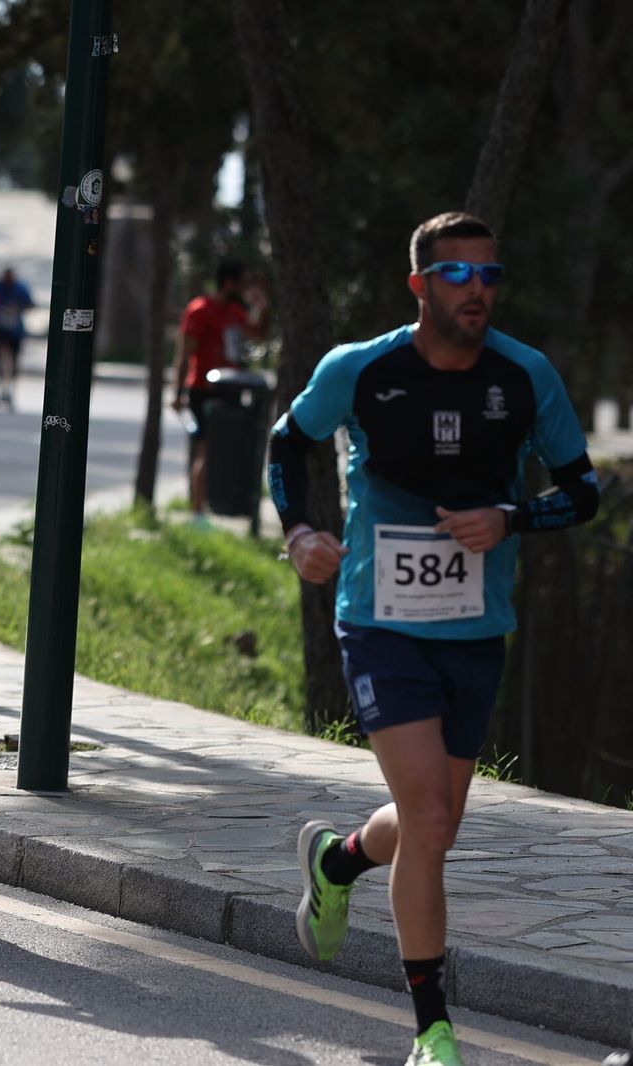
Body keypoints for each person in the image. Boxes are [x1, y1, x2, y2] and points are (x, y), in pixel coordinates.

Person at [268, 212, 600, 1066]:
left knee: (435, 825)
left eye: (489, 275)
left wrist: (511, 517)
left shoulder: (525, 376)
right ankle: (433, 1032)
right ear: (420, 286)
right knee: (424, 814)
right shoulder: (360, 369)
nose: (477, 290)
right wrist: (299, 533)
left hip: (476, 630)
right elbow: (286, 444)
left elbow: (583, 491)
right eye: (457, 276)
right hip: (380, 623)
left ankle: (337, 864)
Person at [173, 259, 268, 522]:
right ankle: (197, 512)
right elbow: (184, 354)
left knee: (226, 447)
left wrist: (262, 306)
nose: (246, 289)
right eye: (243, 283)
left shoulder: (234, 312)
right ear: (228, 283)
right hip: (203, 389)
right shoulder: (200, 310)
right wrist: (178, 392)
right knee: (205, 449)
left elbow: (258, 333)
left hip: (231, 387)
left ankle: (221, 503)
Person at [0, 268, 32, 410]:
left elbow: (29, 303)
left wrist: (16, 308)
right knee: (1, 360)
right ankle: (1, 389)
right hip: (1, 329)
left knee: (13, 361)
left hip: (15, 330)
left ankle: (10, 390)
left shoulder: (20, 288)